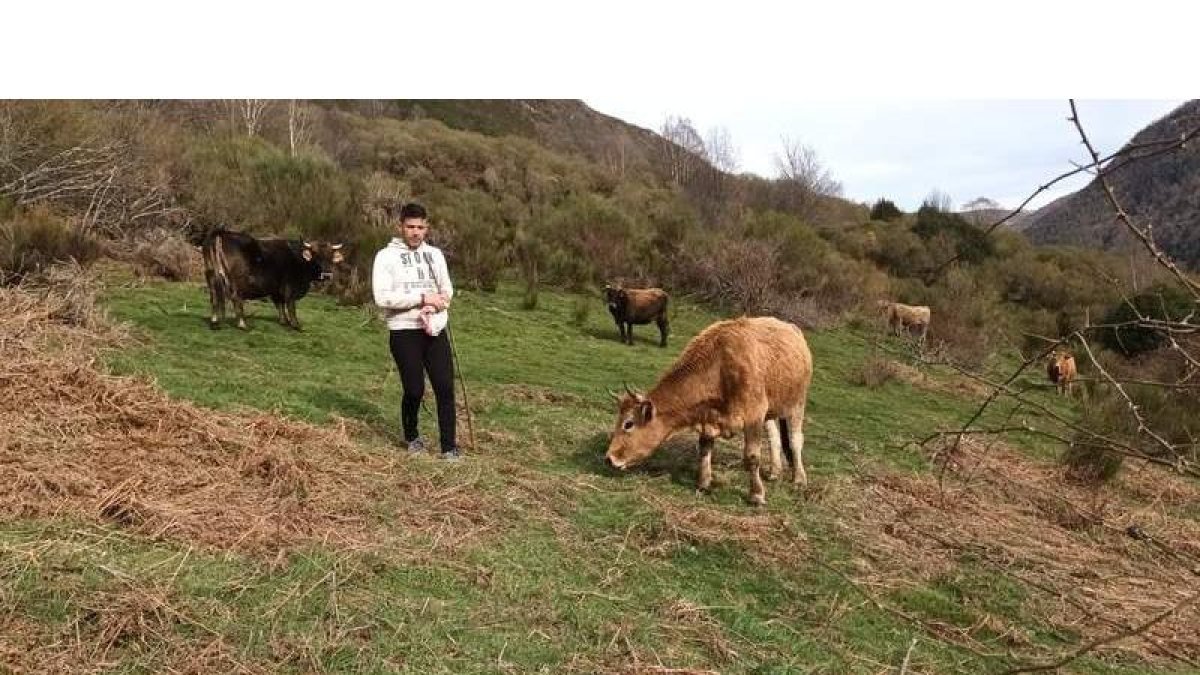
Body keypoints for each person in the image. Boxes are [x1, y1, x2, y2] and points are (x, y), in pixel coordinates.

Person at [372, 202, 460, 461]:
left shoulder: (435, 255)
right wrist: (422, 298)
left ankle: (448, 447)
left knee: (445, 388)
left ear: (426, 228)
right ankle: (411, 436)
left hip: (434, 328)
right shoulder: (385, 257)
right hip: (403, 330)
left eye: (420, 227)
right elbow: (383, 297)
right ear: (401, 226)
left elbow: (447, 289)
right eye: (410, 226)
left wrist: (439, 302)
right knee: (414, 390)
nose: (415, 232)